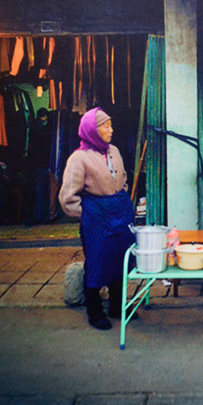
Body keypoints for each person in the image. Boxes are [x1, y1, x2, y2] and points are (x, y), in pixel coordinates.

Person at [59, 108, 135, 330]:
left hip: (119, 214)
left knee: (120, 260)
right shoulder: (79, 158)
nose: (111, 130)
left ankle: (117, 306)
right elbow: (67, 197)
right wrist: (88, 215)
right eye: (106, 126)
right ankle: (94, 311)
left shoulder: (115, 151)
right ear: (93, 130)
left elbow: (123, 179)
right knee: (97, 261)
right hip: (96, 220)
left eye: (111, 125)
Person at [27, 108, 51, 225]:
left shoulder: (33, 128)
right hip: (45, 162)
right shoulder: (47, 128)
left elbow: (31, 147)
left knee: (39, 191)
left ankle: (39, 215)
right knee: (44, 190)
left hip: (37, 163)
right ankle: (44, 215)